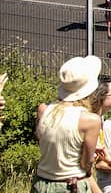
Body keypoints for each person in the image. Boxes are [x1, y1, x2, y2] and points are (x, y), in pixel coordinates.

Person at [33, 56, 105, 193]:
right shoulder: (90, 121)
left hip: (41, 183)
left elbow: (42, 142)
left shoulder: (43, 110)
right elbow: (85, 164)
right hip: (71, 185)